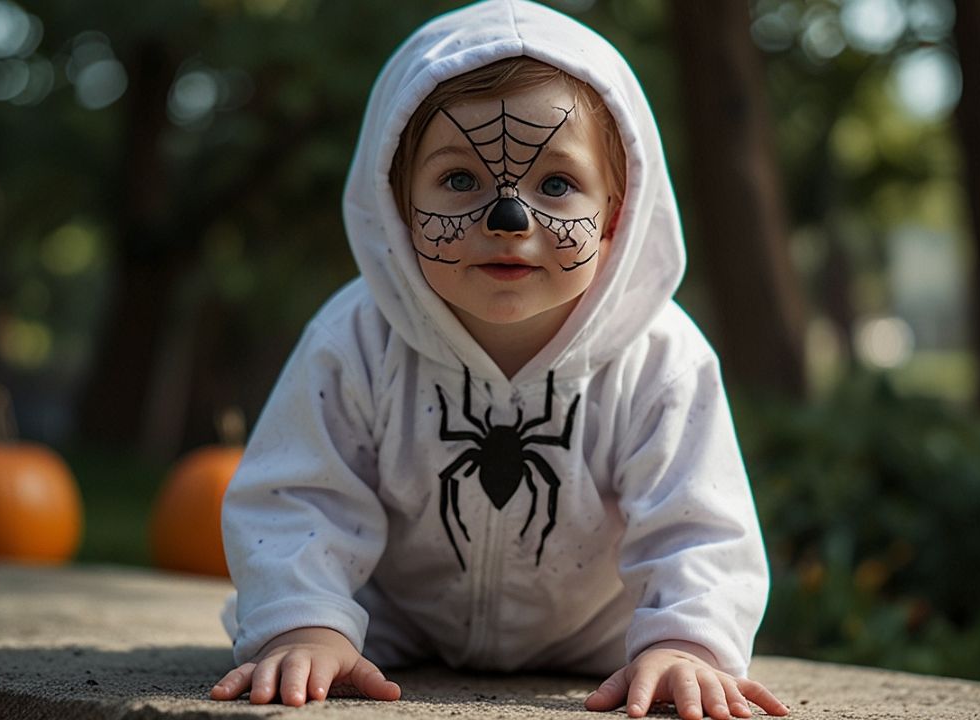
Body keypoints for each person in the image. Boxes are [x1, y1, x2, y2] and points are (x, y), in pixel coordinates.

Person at [209, 2, 789, 718]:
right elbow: (298, 493)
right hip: (392, 627)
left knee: (670, 641)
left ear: (614, 216)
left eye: (555, 185)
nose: (507, 220)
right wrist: (305, 623)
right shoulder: (354, 341)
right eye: (459, 181)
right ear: (397, 204)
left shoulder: (661, 360)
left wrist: (687, 645)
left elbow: (699, 522)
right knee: (303, 626)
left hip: (602, 640)